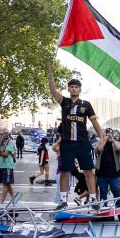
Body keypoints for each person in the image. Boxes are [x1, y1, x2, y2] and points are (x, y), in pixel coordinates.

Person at [47, 65, 103, 206]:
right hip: (67, 143)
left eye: (76, 87)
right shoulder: (64, 102)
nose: (74, 89)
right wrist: (50, 75)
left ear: (79, 90)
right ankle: (63, 201)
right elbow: (53, 91)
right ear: (68, 89)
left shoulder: (86, 104)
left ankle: (93, 199)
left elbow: (94, 122)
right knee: (64, 172)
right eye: (71, 87)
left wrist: (102, 137)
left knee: (88, 171)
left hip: (82, 142)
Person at [94, 129, 120, 207]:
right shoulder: (101, 143)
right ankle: (104, 207)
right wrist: (104, 141)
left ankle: (118, 206)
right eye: (107, 133)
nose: (108, 135)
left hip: (114, 173)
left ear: (113, 135)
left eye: (110, 133)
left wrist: (113, 140)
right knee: (103, 192)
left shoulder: (116, 143)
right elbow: (96, 151)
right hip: (101, 173)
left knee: (116, 190)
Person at [0, 132, 17, 204]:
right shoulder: (1, 143)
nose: (0, 135)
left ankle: (1, 201)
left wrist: (0, 153)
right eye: (0, 134)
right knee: (6, 183)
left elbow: (5, 154)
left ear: (6, 135)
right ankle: (14, 199)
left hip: (8, 165)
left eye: (2, 134)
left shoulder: (10, 142)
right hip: (1, 165)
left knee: (6, 183)